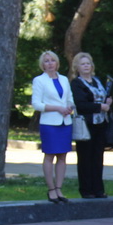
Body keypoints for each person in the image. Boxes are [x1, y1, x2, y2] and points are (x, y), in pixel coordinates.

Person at [32, 50, 74, 204]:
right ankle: (51, 189)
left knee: (63, 156)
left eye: (52, 60)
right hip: (49, 123)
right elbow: (37, 104)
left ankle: (59, 188)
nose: (50, 63)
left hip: (65, 122)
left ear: (57, 63)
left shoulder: (63, 79)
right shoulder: (39, 81)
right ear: (42, 65)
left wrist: (69, 107)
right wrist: (57, 108)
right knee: (50, 155)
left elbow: (70, 99)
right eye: (46, 61)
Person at [70, 52, 112, 199]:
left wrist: (108, 102)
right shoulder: (76, 83)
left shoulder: (97, 81)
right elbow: (81, 105)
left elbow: (105, 96)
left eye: (88, 63)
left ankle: (98, 189)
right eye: (83, 64)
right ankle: (86, 190)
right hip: (85, 125)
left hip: (101, 123)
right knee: (85, 158)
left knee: (98, 157)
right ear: (77, 67)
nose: (86, 66)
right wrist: (100, 107)